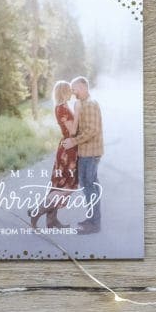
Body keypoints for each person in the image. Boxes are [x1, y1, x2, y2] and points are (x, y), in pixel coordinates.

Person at [31, 81, 78, 230]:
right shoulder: (63, 108)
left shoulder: (61, 107)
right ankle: (36, 211)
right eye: (69, 90)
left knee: (59, 184)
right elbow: (73, 131)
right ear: (64, 92)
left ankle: (52, 221)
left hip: (67, 148)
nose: (72, 93)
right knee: (67, 186)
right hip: (68, 150)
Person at [62, 75, 103, 234]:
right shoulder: (82, 104)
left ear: (83, 87)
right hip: (85, 152)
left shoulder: (90, 105)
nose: (73, 93)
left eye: (74, 89)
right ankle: (91, 219)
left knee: (90, 186)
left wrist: (74, 142)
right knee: (87, 186)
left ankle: (95, 224)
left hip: (91, 153)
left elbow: (93, 130)